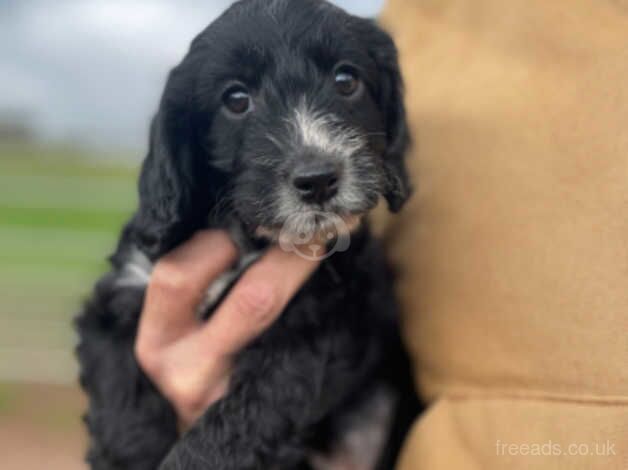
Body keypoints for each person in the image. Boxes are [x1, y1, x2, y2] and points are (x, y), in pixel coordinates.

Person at [138, 0, 628, 468]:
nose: (311, 143)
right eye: (239, 100)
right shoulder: (431, 26)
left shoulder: (350, 261)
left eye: (345, 79)